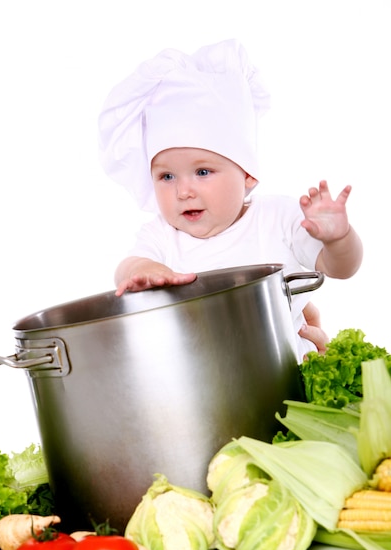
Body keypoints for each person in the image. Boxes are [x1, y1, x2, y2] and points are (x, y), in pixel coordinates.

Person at [97, 39, 362, 361]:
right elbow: (128, 268)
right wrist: (145, 271)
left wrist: (339, 240)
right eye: (166, 177)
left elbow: (341, 268)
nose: (183, 191)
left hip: (287, 373)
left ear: (248, 175)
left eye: (203, 172)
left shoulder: (278, 217)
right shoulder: (162, 236)